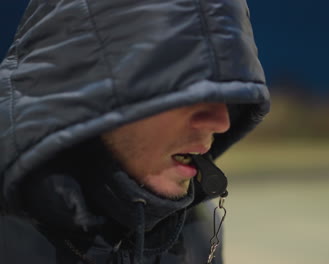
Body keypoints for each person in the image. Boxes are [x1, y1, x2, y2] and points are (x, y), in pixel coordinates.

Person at [0, 0, 270, 263]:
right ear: (84, 87)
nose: (221, 121)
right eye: (182, 90)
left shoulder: (196, 231)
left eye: (228, 96)